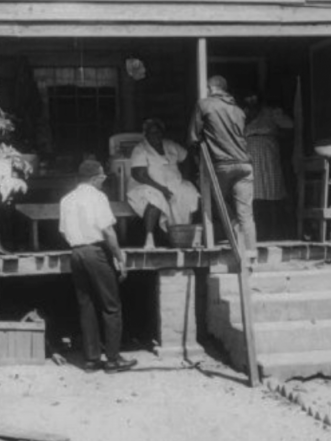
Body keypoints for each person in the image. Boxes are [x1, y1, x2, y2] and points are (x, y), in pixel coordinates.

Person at [59, 159, 138, 373]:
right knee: (111, 307)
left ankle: (91, 360)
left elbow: (64, 231)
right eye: (102, 176)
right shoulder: (98, 197)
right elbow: (108, 231)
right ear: (94, 178)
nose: (104, 179)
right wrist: (120, 258)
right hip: (96, 252)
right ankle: (112, 359)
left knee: (87, 307)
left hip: (76, 253)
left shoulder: (67, 200)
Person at [188, 75, 257, 262]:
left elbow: (194, 138)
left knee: (211, 197)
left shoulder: (205, 105)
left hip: (223, 164)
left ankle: (234, 228)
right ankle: (251, 253)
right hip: (245, 164)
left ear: (211, 88)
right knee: (246, 212)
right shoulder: (239, 111)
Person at [127, 118, 200, 249]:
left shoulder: (170, 145)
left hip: (173, 183)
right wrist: (161, 188)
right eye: (152, 132)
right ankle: (149, 238)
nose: (156, 135)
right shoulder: (141, 149)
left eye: (158, 132)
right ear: (146, 134)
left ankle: (183, 235)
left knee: (189, 192)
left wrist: (185, 176)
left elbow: (186, 157)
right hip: (147, 185)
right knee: (156, 198)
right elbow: (139, 174)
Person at [243, 92, 295, 241]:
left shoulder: (269, 112)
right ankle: (257, 233)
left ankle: (274, 233)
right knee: (253, 195)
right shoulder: (242, 113)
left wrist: (278, 115)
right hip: (249, 156)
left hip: (268, 156)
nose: (251, 99)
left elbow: (290, 125)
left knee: (272, 193)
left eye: (254, 97)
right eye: (248, 97)